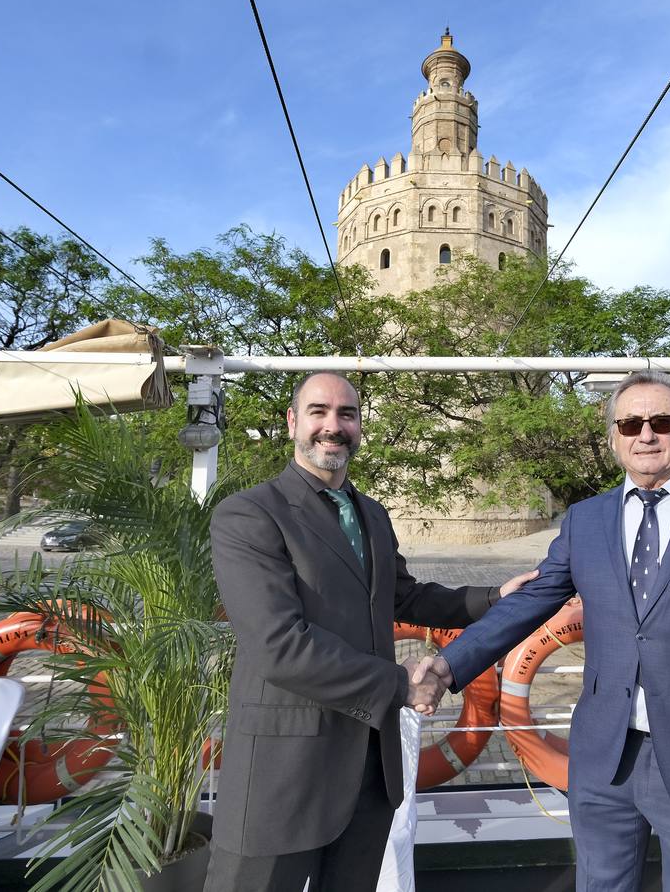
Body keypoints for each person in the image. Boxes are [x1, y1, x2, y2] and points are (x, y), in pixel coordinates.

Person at [415, 370, 670, 891]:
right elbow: (533, 601)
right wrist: (447, 667)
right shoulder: (585, 520)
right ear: (613, 439)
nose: (645, 434)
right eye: (629, 424)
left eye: (661, 421)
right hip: (603, 762)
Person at [205, 372, 536, 892]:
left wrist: (494, 598)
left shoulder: (372, 515)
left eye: (346, 415)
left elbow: (403, 595)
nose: (332, 427)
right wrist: (400, 685)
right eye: (318, 412)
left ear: (360, 428)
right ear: (293, 422)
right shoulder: (249, 514)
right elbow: (278, 646)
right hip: (283, 772)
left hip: (368, 769)